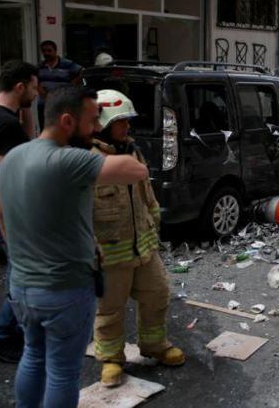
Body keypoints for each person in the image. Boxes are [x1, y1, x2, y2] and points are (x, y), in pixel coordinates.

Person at [0, 86, 149, 408]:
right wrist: (106, 146)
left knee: (33, 355)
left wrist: (24, 253)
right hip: (63, 291)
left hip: (22, 287)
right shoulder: (70, 160)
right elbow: (137, 170)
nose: (96, 128)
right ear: (67, 120)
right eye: (93, 120)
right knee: (63, 372)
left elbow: (1, 216)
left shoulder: (12, 157)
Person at [92, 89, 185, 387]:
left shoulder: (132, 151)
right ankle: (111, 359)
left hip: (144, 245)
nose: (128, 127)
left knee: (157, 294)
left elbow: (147, 196)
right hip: (111, 251)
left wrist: (155, 222)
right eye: (122, 122)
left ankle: (155, 346)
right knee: (110, 309)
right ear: (104, 124)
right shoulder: (88, 161)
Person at [0, 61, 38, 363]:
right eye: (34, 87)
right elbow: (10, 173)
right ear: (20, 87)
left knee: (19, 271)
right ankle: (3, 337)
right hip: (8, 207)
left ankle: (11, 332)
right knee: (21, 275)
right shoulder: (4, 124)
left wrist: (26, 112)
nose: (37, 94)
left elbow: (25, 145)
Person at [37, 40, 83, 129]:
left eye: (49, 50)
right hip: (45, 103)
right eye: (44, 51)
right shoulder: (40, 66)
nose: (46, 53)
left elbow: (82, 71)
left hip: (61, 102)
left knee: (61, 127)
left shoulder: (67, 64)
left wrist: (72, 85)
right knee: (45, 128)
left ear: (55, 51)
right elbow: (34, 79)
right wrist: (39, 89)